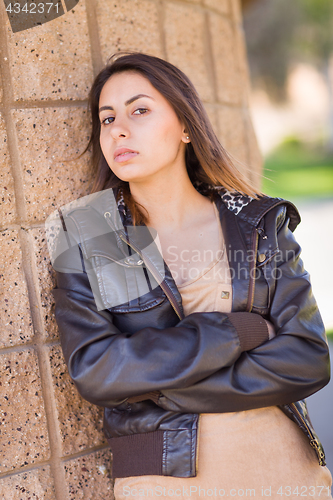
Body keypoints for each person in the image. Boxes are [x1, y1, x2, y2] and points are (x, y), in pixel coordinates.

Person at [48, 52, 332, 499]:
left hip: (280, 469)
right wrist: (229, 335)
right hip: (162, 483)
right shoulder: (93, 234)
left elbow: (307, 358)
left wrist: (155, 388)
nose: (118, 129)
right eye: (107, 119)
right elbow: (97, 370)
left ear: (184, 125)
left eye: (139, 110)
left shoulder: (255, 222)